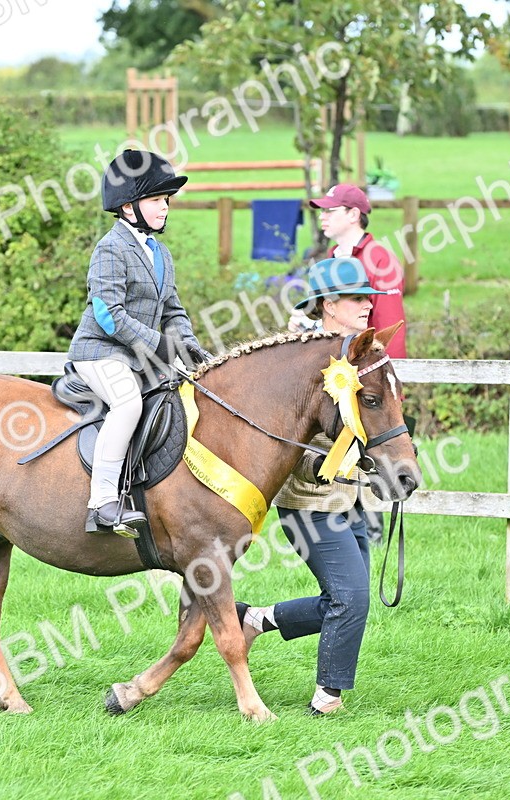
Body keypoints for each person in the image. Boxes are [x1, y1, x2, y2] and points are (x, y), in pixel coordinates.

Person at [240, 257, 393, 716]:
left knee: (346, 600)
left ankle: (255, 619)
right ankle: (327, 698)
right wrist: (322, 465)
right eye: (357, 298)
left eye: (369, 298)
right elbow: (278, 438)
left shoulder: (360, 355)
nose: (368, 306)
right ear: (328, 303)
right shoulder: (298, 357)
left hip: (355, 498)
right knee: (351, 598)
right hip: (311, 502)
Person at [67, 150, 212, 536]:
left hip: (139, 356)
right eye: (156, 200)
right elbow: (107, 315)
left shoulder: (159, 252)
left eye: (166, 200)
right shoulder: (110, 248)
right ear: (128, 207)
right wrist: (163, 347)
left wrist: (189, 345)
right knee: (128, 403)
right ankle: (102, 503)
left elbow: (173, 310)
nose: (165, 208)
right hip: (100, 352)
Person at [305, 184, 407, 357]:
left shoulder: (381, 260)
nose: (322, 216)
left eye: (329, 210)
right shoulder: (332, 257)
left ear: (353, 214)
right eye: (322, 211)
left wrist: (392, 374)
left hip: (368, 369)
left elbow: (391, 325)